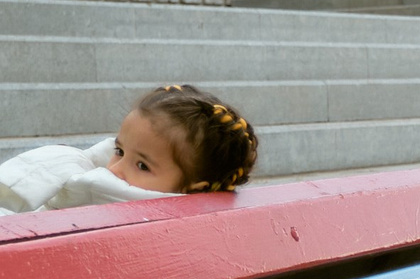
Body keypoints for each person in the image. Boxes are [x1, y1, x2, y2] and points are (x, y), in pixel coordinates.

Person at [0, 84, 259, 212]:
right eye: (120, 151)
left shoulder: (96, 201)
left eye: (142, 165)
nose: (115, 170)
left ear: (192, 188)